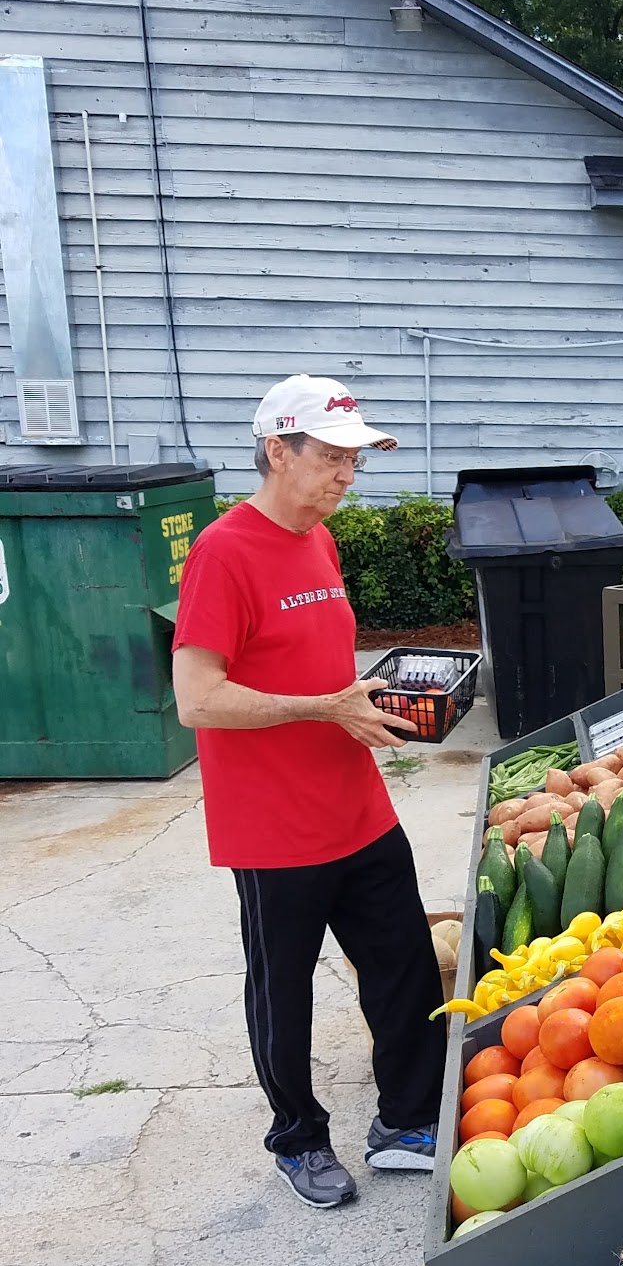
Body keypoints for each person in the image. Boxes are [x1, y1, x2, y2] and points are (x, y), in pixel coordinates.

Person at [172, 374, 447, 1208]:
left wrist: (368, 702)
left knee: (403, 970)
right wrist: (321, 706)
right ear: (276, 450)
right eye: (329, 457)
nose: (344, 476)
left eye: (352, 461)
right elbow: (198, 697)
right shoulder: (224, 552)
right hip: (273, 828)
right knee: (281, 994)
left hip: (356, 806)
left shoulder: (319, 542)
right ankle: (298, 1139)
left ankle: (404, 1122)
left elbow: (315, 668)